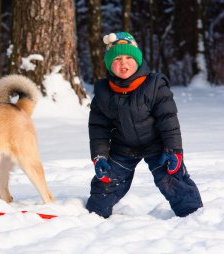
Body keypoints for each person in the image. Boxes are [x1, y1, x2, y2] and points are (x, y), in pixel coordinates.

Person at [86, 32, 203, 218]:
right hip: (122, 147)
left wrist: (174, 150)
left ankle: (193, 214)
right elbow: (98, 127)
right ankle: (94, 215)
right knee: (106, 183)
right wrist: (99, 155)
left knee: (172, 178)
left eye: (128, 57)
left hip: (157, 145)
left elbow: (168, 119)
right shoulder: (103, 91)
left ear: (138, 60)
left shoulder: (155, 84)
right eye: (116, 58)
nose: (123, 63)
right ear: (109, 64)